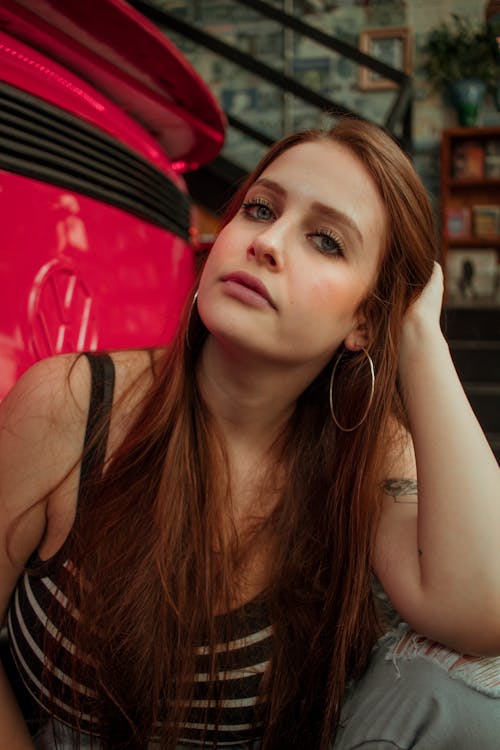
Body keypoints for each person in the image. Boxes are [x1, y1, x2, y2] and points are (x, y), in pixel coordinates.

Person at [1, 118, 499, 750]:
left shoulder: (367, 456)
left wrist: (421, 338)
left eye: (326, 241)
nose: (267, 242)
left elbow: (484, 611)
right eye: (260, 209)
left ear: (367, 323)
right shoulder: (73, 402)